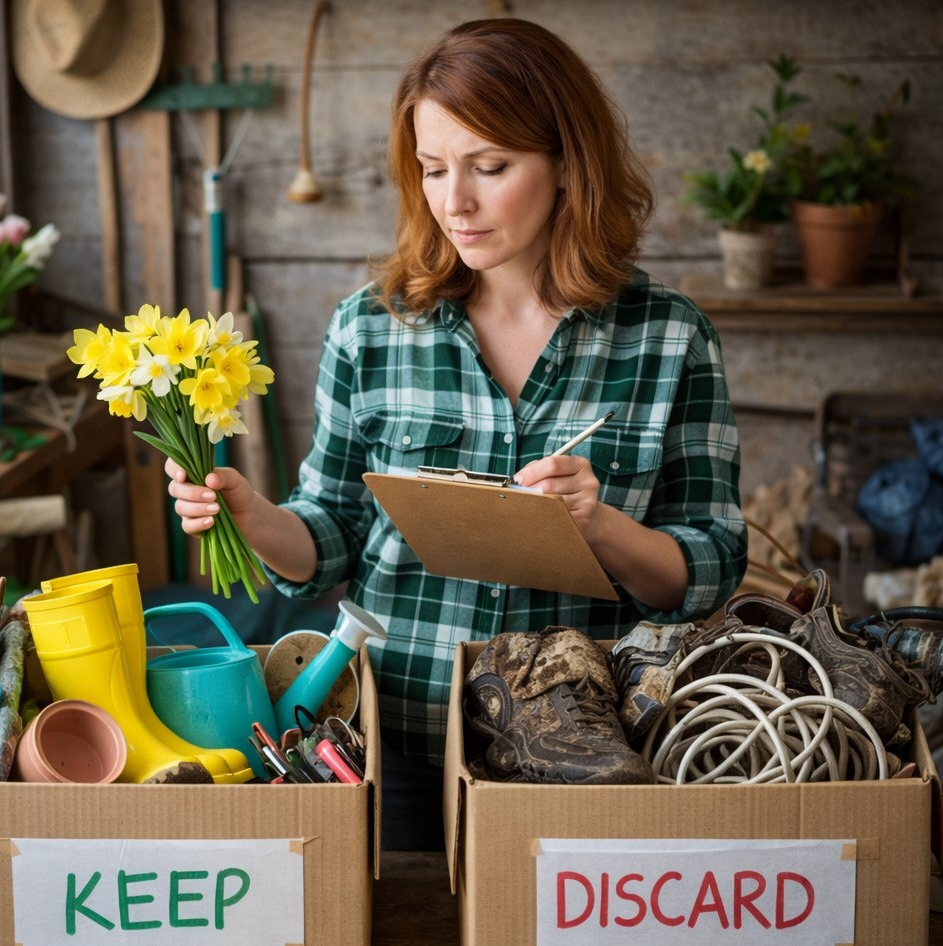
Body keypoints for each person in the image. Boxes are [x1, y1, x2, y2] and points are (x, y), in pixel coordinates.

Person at [165, 18, 748, 847]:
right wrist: (256, 516)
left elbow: (711, 567)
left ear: (567, 166)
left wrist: (601, 528)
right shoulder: (370, 328)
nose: (455, 202)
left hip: (586, 751)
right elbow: (330, 538)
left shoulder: (667, 337)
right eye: (434, 170)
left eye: (490, 167)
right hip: (396, 736)